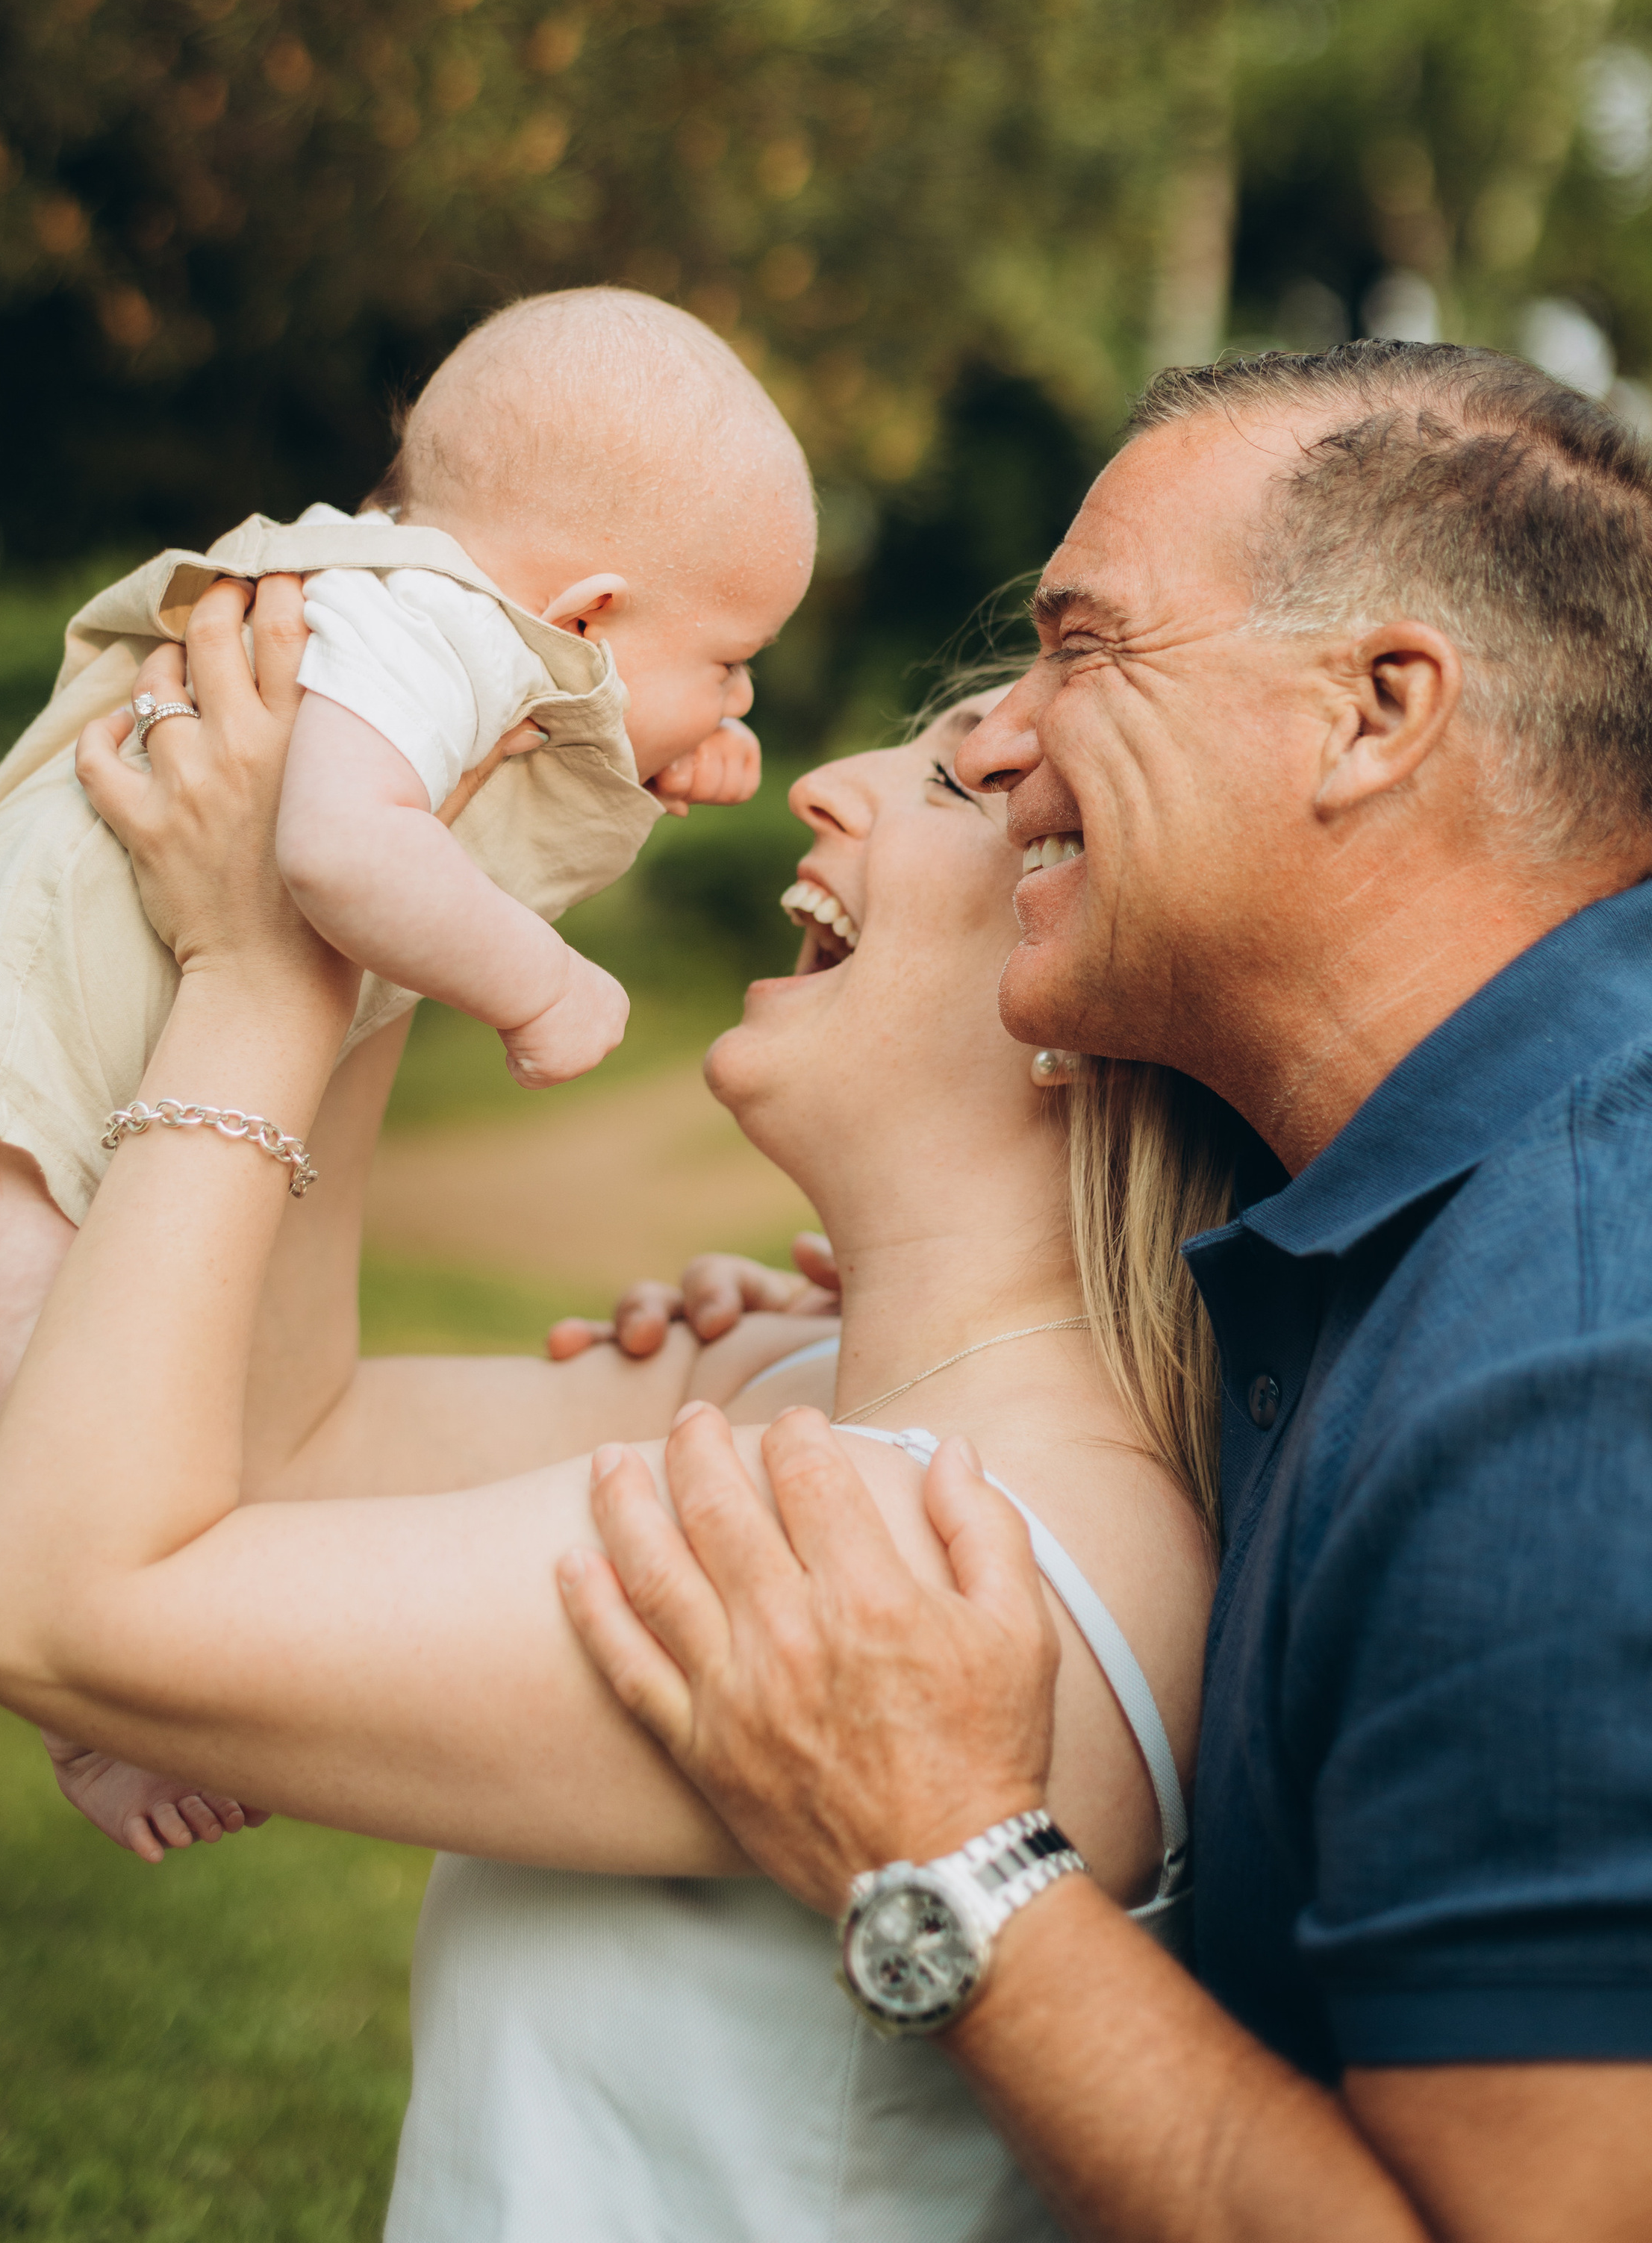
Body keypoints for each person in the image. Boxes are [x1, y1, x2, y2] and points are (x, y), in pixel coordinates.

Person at [0, 575, 1235, 2241]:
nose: (823, 781)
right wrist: (375, 890)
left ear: (1090, 987)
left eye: (960, 784)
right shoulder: (792, 1395)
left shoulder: (937, 1570)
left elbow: (50, 1608)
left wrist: (249, 976)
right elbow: (278, 1456)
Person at [561, 339, 1652, 2242]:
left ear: (1373, 713)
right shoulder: (1455, 1213)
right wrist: (887, 1316)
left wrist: (942, 1852)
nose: (990, 739)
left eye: (1083, 646)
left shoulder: (1561, 1382)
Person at [0, 286, 811, 1856]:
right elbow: (334, 849)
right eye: (730, 661)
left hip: (9, 1082)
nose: (741, 704)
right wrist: (540, 982)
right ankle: (105, 1687)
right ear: (586, 614)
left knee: (126, 1409)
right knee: (101, 1434)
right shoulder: (422, 627)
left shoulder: (440, 637)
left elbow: (436, 807)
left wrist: (649, 743)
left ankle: (110, 1653)